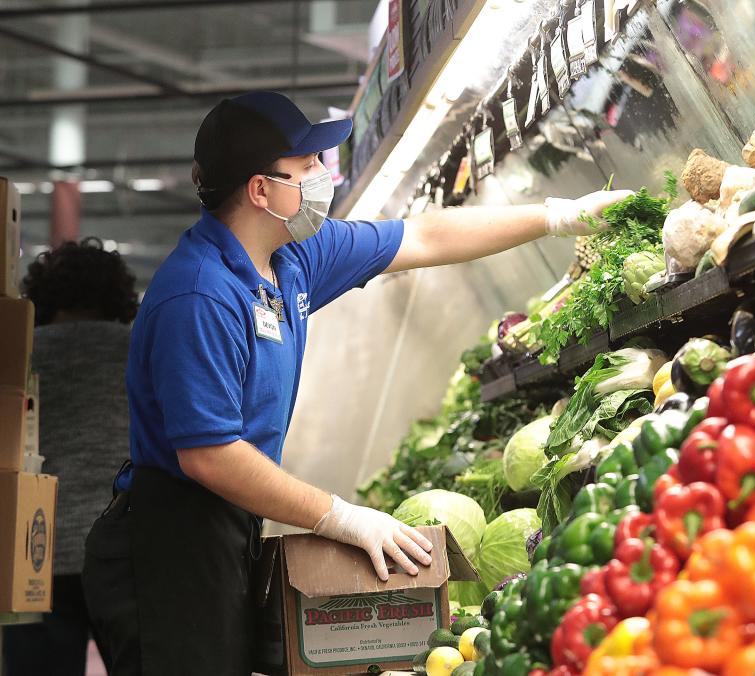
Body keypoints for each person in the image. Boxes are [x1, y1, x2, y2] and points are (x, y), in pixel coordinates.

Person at [81, 90, 631, 675]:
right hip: (168, 543)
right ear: (260, 190)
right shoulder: (200, 294)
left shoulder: (292, 258)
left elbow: (423, 237)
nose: (323, 177)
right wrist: (341, 517)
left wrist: (558, 216)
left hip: (224, 523)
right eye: (307, 166)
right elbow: (210, 457)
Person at [3, 238, 138, 676]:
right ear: (116, 293)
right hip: (124, 547)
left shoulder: (20, 352)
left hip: (33, 550)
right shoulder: (139, 348)